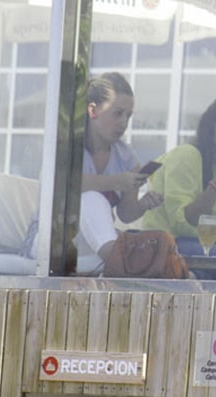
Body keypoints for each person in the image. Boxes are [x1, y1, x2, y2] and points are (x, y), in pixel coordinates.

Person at [141, 94, 216, 256]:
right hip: (166, 245)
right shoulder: (187, 155)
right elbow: (183, 223)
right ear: (211, 129)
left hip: (206, 246)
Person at [75, 72, 164, 274]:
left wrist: (143, 205)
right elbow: (65, 185)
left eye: (128, 115)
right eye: (118, 113)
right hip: (55, 238)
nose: (124, 122)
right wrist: (116, 182)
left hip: (97, 242)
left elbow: (125, 213)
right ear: (93, 110)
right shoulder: (68, 148)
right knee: (91, 199)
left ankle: (122, 264)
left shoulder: (125, 155)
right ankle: (125, 267)